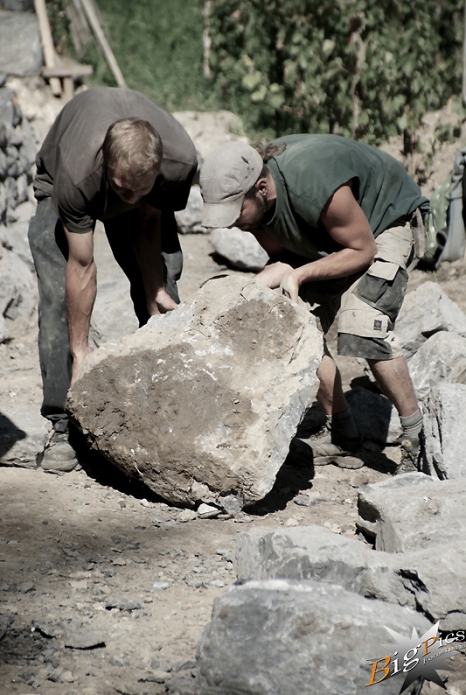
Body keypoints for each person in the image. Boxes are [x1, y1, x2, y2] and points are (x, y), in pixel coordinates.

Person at [199, 135, 429, 474]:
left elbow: (363, 250)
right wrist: (250, 287)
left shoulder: (313, 183)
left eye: (235, 211)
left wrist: (302, 274)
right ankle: (343, 435)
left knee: (364, 327)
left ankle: (416, 440)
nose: (232, 223)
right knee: (294, 324)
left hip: (386, 221)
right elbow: (282, 260)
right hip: (338, 235)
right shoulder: (255, 210)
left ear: (260, 188)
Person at [28, 87, 197, 472]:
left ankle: (164, 409)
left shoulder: (179, 163)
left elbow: (149, 217)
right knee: (58, 298)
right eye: (125, 190)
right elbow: (82, 264)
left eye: (142, 189)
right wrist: (81, 353)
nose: (132, 198)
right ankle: (62, 423)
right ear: (108, 167)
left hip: (136, 179)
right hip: (61, 181)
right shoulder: (78, 174)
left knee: (164, 292)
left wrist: (153, 290)